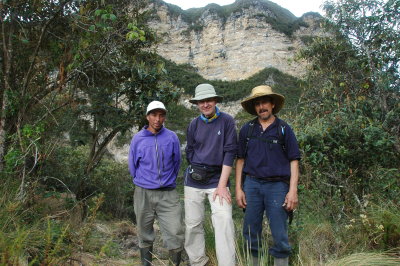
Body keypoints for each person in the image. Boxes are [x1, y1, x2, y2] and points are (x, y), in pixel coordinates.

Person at [235, 85, 301, 266]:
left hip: (277, 186)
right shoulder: (247, 130)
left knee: (279, 233)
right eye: (257, 103)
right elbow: (240, 160)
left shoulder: (284, 129)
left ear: (272, 104)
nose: (261, 107)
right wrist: (239, 189)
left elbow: (294, 160)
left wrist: (292, 191)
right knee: (250, 231)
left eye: (264, 102)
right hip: (252, 185)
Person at [184, 84, 237, 266]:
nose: (205, 104)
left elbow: (230, 153)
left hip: (218, 179)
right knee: (192, 224)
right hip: (194, 179)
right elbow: (189, 151)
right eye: (201, 101)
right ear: (197, 103)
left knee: (224, 221)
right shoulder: (193, 124)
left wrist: (222, 185)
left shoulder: (227, 121)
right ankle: (198, 262)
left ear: (215, 101)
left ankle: (227, 263)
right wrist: (197, 168)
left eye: (209, 100)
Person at [128, 100, 184, 266]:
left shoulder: (172, 137)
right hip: (143, 193)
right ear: (147, 116)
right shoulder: (138, 139)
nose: (157, 119)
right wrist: (145, 182)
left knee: (175, 232)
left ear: (164, 117)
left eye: (161, 115)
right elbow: (133, 166)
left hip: (168, 193)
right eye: (154, 115)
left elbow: (177, 162)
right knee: (144, 232)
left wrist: (167, 181)